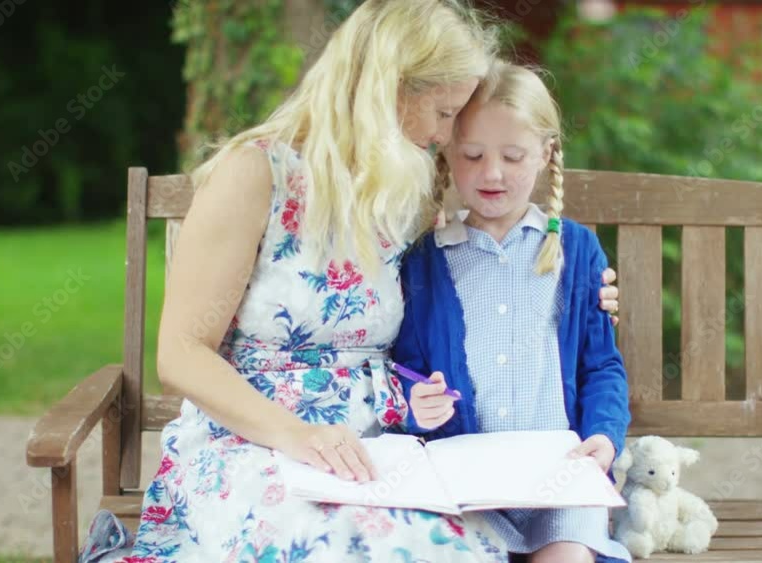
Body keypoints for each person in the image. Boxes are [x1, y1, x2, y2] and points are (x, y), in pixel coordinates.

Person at [120, 2, 622, 561]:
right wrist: (296, 434)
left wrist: (588, 294)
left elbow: (494, 267)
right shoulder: (256, 173)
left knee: (452, 550)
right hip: (259, 443)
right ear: (389, 89)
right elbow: (181, 353)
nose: (445, 135)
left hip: (388, 450)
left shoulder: (403, 191)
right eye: (443, 112)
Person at [393, 61, 632, 563]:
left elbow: (601, 367)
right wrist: (418, 402)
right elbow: (406, 367)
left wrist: (604, 439)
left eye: (513, 155)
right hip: (467, 491)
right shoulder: (425, 263)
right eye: (473, 155)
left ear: (546, 155)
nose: (492, 173)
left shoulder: (577, 252)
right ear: (449, 155)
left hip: (561, 483)